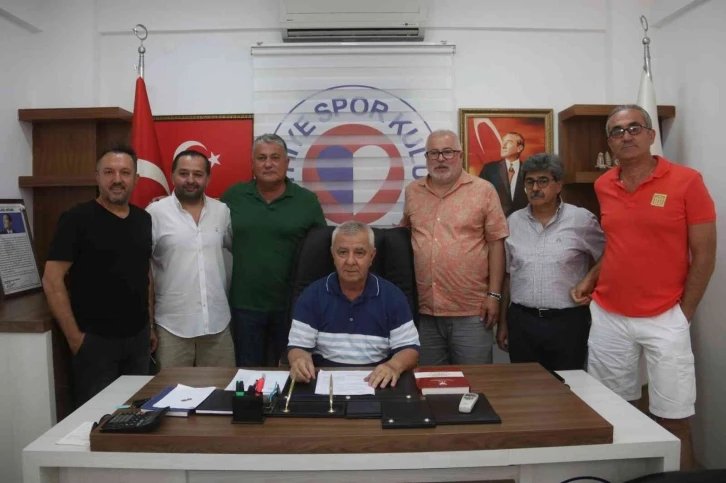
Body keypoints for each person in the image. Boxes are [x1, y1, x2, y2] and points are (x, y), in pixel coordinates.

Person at [571, 105, 717, 469]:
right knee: (615, 411)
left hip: (665, 315)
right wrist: (591, 277)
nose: (626, 136)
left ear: (651, 135)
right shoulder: (604, 185)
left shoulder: (687, 181)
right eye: (617, 131)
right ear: (609, 142)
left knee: (674, 417)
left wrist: (683, 314)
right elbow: (621, 244)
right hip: (609, 316)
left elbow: (704, 255)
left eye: (634, 128)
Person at [42, 145, 155, 406]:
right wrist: (75, 338)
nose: (117, 179)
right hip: (95, 342)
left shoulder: (143, 219)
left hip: (138, 339)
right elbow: (52, 280)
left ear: (136, 179)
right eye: (109, 172)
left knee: (137, 414)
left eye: (125, 172)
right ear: (97, 177)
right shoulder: (76, 219)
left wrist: (149, 324)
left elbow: (145, 274)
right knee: (97, 418)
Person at [401, 129, 508, 366]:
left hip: (472, 311)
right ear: (426, 157)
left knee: (476, 382)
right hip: (424, 312)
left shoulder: (483, 191)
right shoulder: (412, 192)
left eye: (447, 152)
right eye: (434, 153)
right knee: (430, 383)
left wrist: (494, 295)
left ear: (460, 155)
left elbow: (496, 244)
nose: (440, 159)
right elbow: (406, 236)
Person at [221, 133, 326, 367]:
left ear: (287, 163)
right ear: (252, 164)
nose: (268, 164)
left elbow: (319, 252)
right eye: (261, 158)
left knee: (292, 370)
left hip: (293, 306)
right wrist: (169, 205)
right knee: (249, 373)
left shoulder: (307, 201)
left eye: (275, 158)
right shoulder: (233, 196)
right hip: (244, 305)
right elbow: (203, 220)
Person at [496, 153, 605, 371]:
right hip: (522, 321)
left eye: (543, 181)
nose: (535, 188)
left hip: (568, 322)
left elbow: (608, 255)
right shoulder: (513, 222)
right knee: (524, 385)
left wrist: (590, 282)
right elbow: (508, 276)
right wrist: (502, 323)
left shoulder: (581, 220)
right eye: (530, 182)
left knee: (568, 386)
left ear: (558, 185)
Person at [287, 221, 420, 388]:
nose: (350, 261)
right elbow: (298, 347)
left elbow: (409, 349)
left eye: (359, 253)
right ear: (332, 255)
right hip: (323, 385)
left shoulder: (393, 296)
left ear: (372, 256)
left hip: (377, 383)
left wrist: (394, 366)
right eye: (342, 252)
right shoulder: (312, 295)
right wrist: (299, 361)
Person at [146, 149, 235, 369]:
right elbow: (144, 273)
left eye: (198, 174)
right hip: (171, 327)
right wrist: (149, 325)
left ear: (208, 178)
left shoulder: (222, 211)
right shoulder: (155, 213)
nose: (190, 180)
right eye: (184, 173)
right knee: (169, 390)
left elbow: (235, 248)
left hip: (217, 325)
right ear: (172, 176)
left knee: (222, 389)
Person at [479, 132, 528, 217]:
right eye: (502, 141)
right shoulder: (489, 169)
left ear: (519, 148)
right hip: (494, 220)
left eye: (509, 142)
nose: (503, 145)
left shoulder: (529, 171)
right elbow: (480, 196)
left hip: (523, 221)